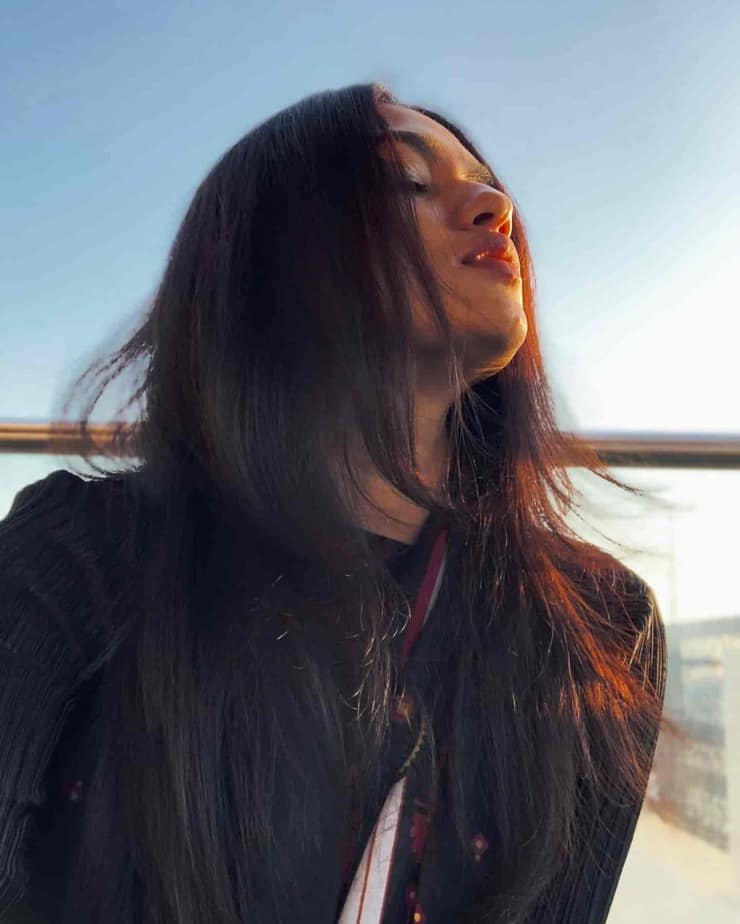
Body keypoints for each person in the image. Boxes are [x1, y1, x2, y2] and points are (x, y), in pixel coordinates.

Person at [0, 82, 666, 924]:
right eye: (407, 182)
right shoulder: (84, 555)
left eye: (488, 185)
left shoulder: (602, 628)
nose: (496, 208)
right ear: (268, 262)